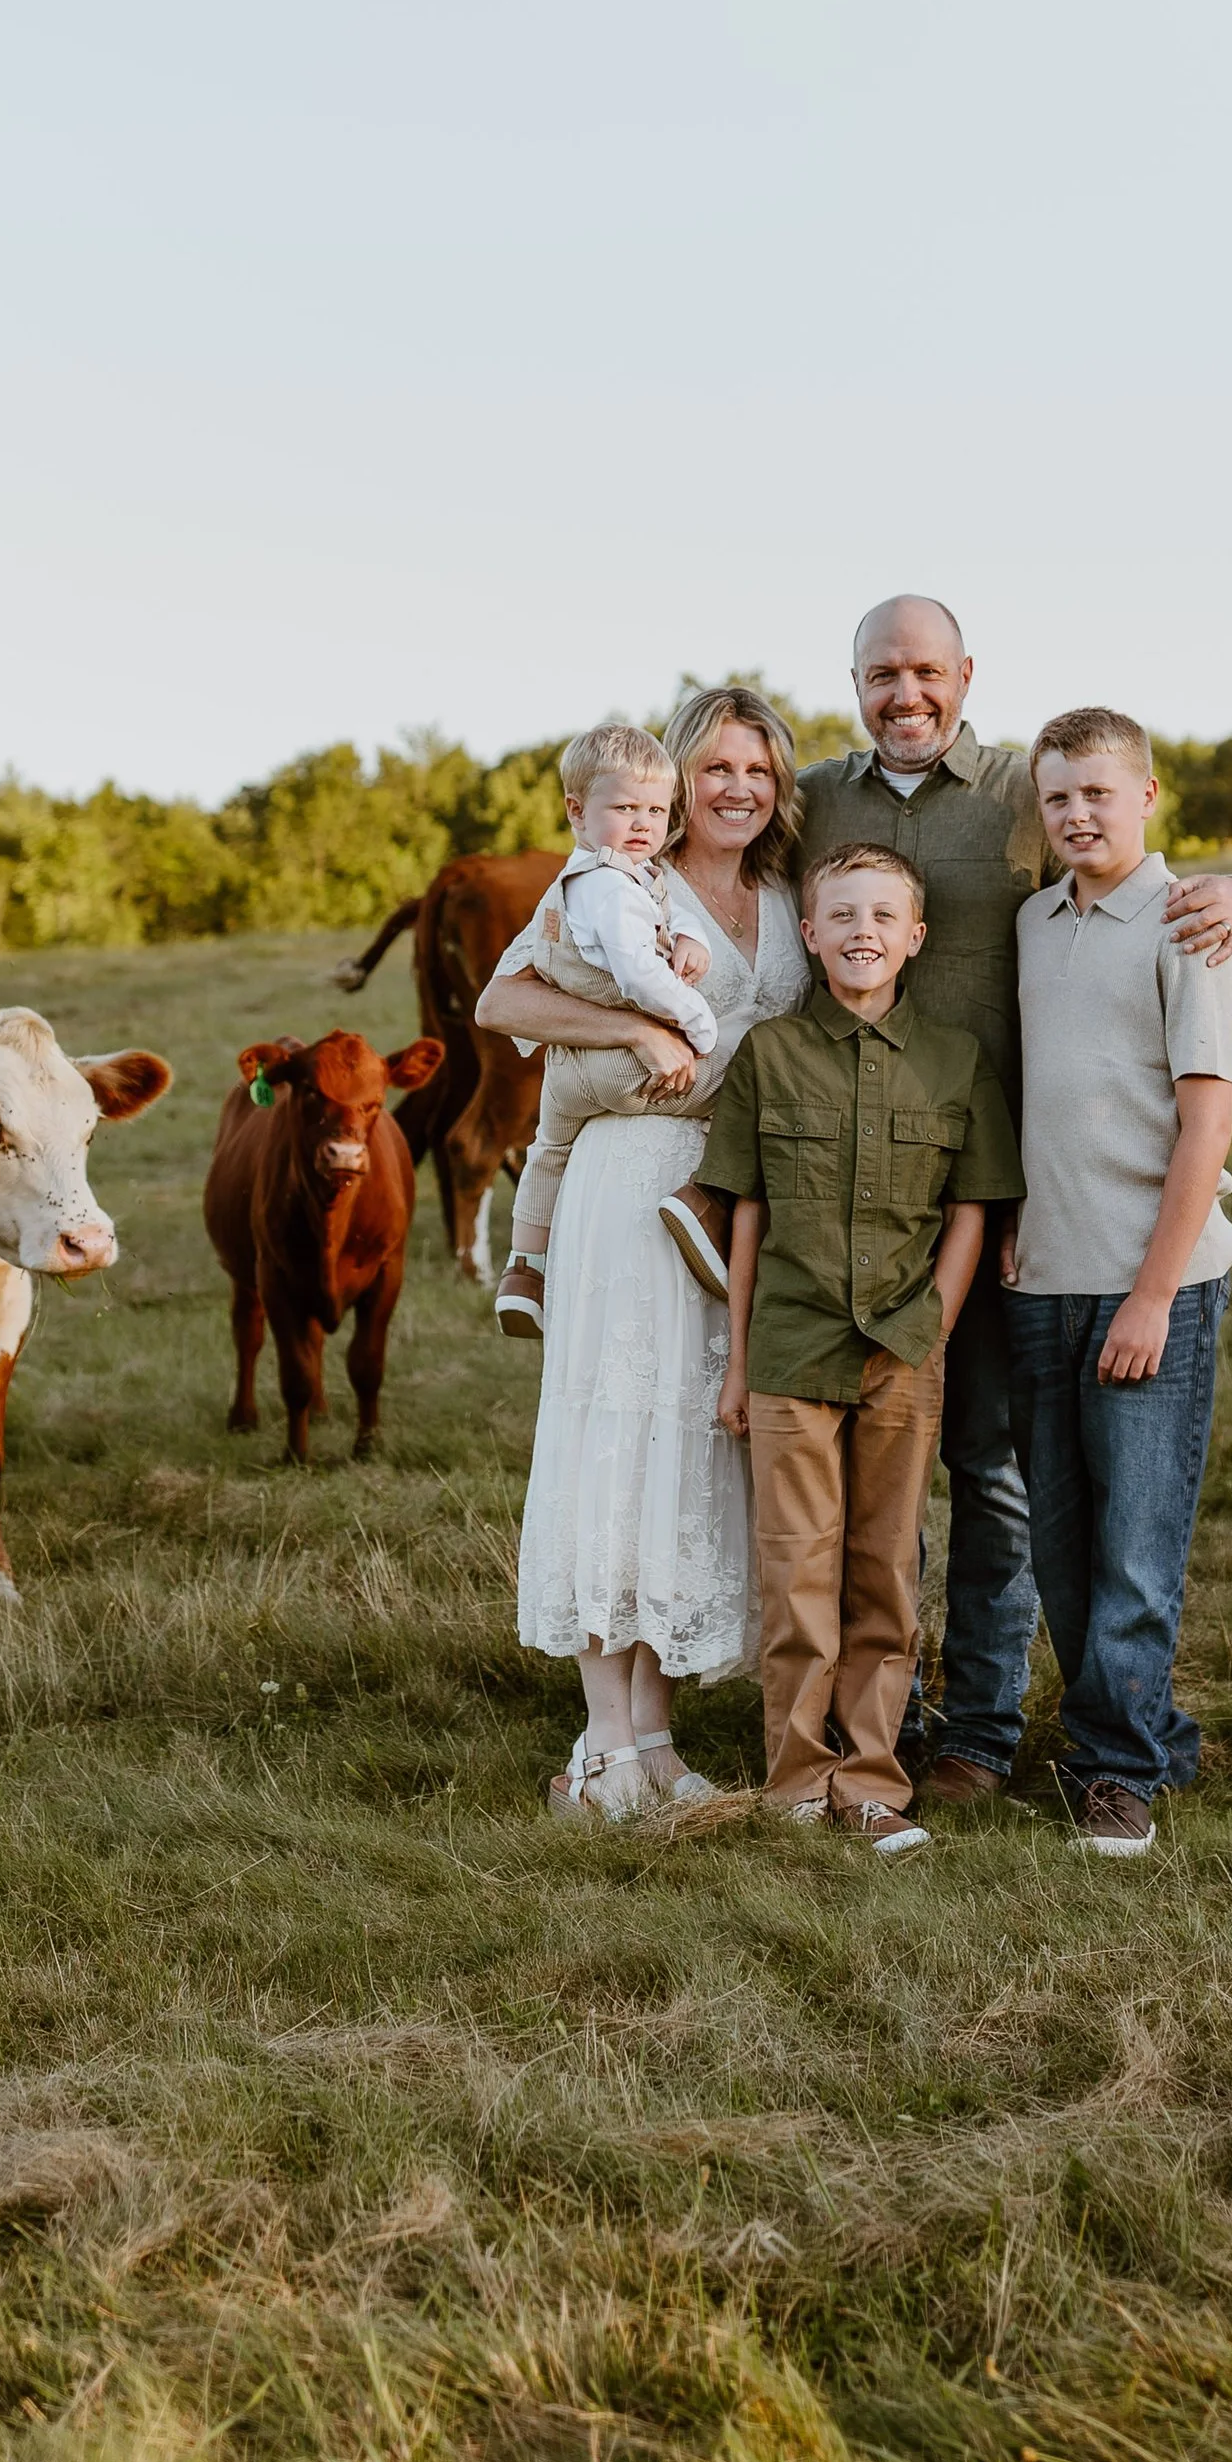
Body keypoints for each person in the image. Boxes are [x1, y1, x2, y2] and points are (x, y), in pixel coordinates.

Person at [485, 597, 1232, 1806]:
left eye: (925, 672)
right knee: (749, 1458)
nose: (905, 694)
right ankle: (769, 1735)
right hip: (807, 1191)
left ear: (963, 677)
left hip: (989, 1181)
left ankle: (981, 1731)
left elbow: (1117, 847)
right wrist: (632, 1022)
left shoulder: (1018, 790)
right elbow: (545, 971)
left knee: (987, 1471)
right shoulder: (809, 810)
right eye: (880, 673)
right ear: (853, 683)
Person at [495, 686, 809, 1818]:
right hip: (629, 1176)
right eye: (716, 768)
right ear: (679, 779)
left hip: (729, 1197)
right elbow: (501, 996)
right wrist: (633, 1025)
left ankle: (658, 1741)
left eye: (758, 772)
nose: (736, 789)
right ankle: (602, 1748)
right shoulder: (621, 879)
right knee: (613, 1436)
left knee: (686, 1447)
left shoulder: (784, 895)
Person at [703, 844, 1024, 1853]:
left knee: (883, 1570)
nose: (862, 935)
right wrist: (738, 1365)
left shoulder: (954, 1061)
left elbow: (973, 1208)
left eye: (883, 917)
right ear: (810, 933)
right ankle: (797, 1781)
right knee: (795, 1573)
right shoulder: (769, 1057)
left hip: (902, 1354)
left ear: (915, 937)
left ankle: (874, 1781)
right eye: (841, 917)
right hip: (792, 1351)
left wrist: (934, 1319)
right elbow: (745, 1214)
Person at [1001, 708, 1232, 1860]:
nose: (1076, 815)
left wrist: (1152, 1296)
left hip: (1152, 1283)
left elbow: (1203, 1125)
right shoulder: (1032, 924)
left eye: (1098, 793)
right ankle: (1144, 1731)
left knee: (1136, 1547)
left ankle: (1116, 1774)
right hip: (1042, 1280)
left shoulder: (1190, 923)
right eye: (1056, 798)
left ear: (1145, 797)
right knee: (1061, 1547)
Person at [489, 726, 720, 1342]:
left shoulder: (608, 874)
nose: (644, 823)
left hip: (567, 1071)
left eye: (655, 810)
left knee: (548, 1153)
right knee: (763, 1066)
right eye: (624, 809)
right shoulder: (608, 887)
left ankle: (525, 1272)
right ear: (576, 810)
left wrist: (692, 934)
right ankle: (712, 1205)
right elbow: (640, 971)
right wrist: (697, 1023)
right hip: (626, 1063)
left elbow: (668, 907)